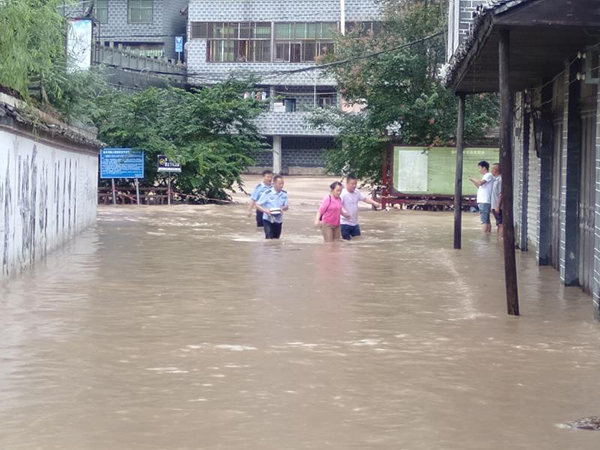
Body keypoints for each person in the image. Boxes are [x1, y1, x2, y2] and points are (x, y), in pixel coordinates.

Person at [340, 174, 381, 241]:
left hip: (355, 223)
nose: (354, 186)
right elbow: (338, 204)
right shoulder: (343, 193)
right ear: (347, 183)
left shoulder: (356, 192)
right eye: (352, 184)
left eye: (355, 184)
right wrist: (344, 212)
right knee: (345, 243)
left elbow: (364, 199)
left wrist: (374, 203)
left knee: (358, 241)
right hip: (344, 223)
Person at [256, 175, 288, 240]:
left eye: (282, 184)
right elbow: (257, 205)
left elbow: (286, 206)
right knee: (268, 238)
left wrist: (283, 208)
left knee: (276, 239)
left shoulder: (284, 194)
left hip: (278, 219)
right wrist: (265, 211)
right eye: (279, 184)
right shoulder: (267, 193)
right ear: (274, 184)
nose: (281, 185)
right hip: (268, 219)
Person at [468, 161, 494, 234]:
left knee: (484, 220)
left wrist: (472, 179)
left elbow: (480, 183)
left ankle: (484, 236)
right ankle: (488, 235)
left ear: (484, 168)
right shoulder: (486, 176)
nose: (479, 170)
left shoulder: (488, 175)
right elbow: (479, 186)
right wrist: (473, 181)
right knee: (487, 219)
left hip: (484, 201)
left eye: (480, 168)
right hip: (485, 201)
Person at [491, 163, 503, 238]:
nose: (491, 170)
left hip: (498, 206)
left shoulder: (500, 180)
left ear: (495, 170)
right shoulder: (495, 179)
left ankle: (501, 240)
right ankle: (498, 241)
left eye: (492, 169)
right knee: (498, 224)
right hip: (494, 206)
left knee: (501, 224)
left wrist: (498, 206)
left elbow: (501, 194)